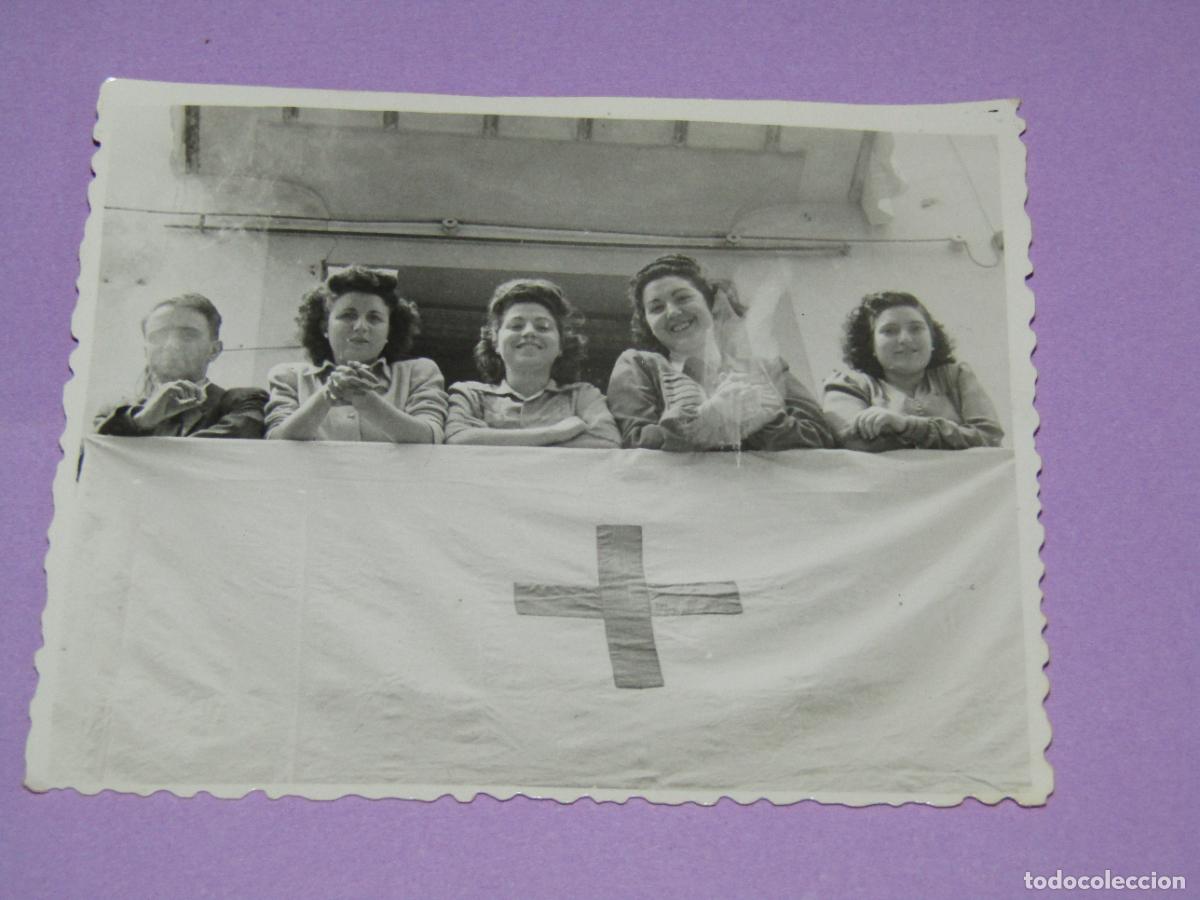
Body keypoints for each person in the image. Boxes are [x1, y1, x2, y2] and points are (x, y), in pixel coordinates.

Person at [606, 254, 837, 451]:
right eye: (656, 308)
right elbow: (634, 443)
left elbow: (820, 436)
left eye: (683, 297)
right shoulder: (639, 365)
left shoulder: (768, 367)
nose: (673, 312)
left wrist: (757, 420)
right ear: (647, 323)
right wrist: (706, 420)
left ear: (710, 303)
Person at [265, 266, 447, 442]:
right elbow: (276, 442)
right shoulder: (290, 377)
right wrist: (327, 395)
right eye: (348, 315)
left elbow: (431, 438)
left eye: (374, 318)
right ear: (324, 326)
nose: (361, 327)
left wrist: (368, 401)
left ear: (389, 331)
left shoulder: (418, 373)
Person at [444, 279, 621, 448]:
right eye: (516, 326)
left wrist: (489, 437)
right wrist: (555, 433)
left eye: (543, 327)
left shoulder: (583, 396)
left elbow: (606, 441)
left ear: (561, 345)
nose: (529, 332)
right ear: (495, 342)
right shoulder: (470, 395)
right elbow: (456, 439)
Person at [822, 291, 1004, 451]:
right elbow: (852, 442)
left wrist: (906, 426)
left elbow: (990, 438)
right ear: (870, 344)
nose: (905, 339)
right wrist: (951, 438)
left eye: (916, 328)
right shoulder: (847, 385)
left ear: (932, 338)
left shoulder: (957, 376)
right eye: (889, 331)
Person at [94, 293, 267, 438]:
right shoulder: (116, 413)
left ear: (214, 350)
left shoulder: (244, 402)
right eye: (157, 336)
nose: (171, 345)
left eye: (188, 336)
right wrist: (142, 420)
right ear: (146, 351)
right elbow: (91, 461)